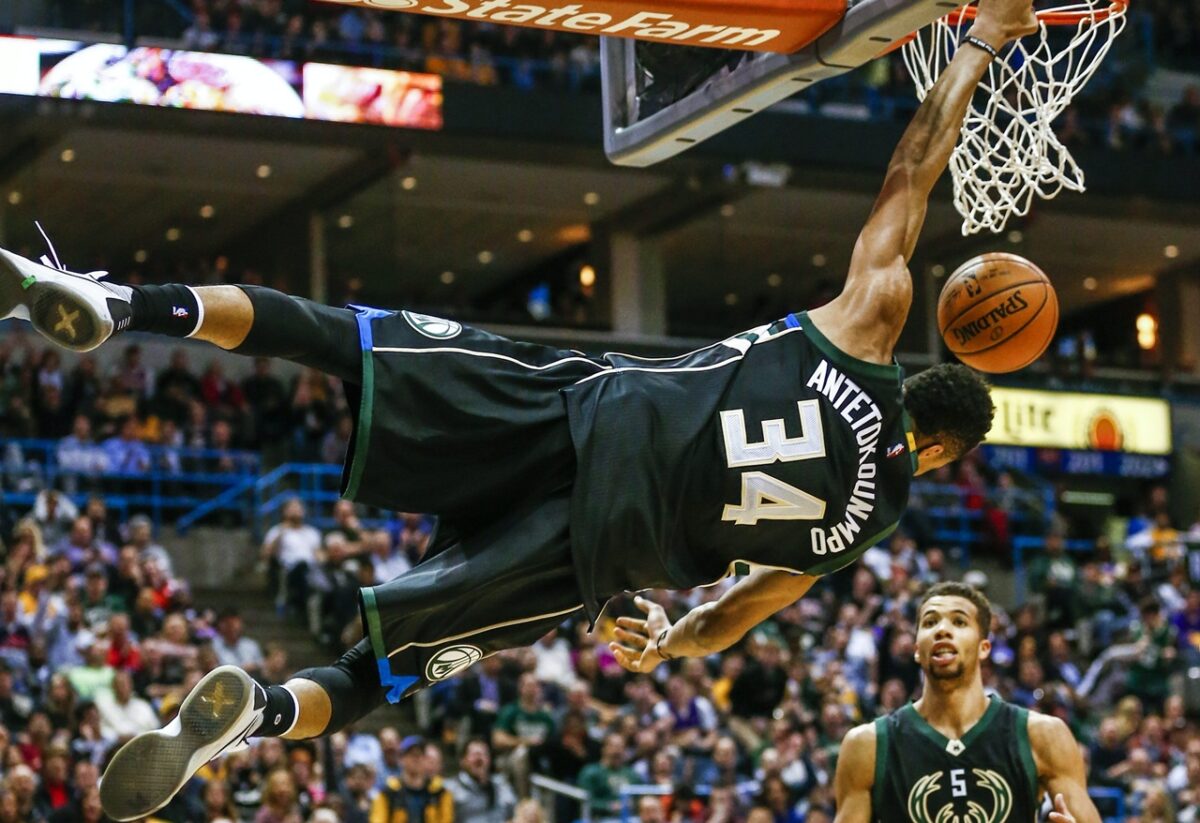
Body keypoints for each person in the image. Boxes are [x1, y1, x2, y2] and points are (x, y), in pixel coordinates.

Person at [0, 0, 1028, 818]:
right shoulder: (862, 524)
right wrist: (664, 642)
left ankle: (128, 304)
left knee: (338, 339)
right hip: (599, 557)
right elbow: (729, 619)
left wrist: (980, 40)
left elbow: (912, 169)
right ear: (936, 453)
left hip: (579, 412)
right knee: (381, 674)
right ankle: (259, 716)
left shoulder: (871, 319)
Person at [832, 582, 1099, 823]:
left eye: (959, 622)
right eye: (930, 622)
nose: (942, 630)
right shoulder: (868, 745)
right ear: (916, 649)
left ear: (984, 647)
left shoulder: (1042, 735)